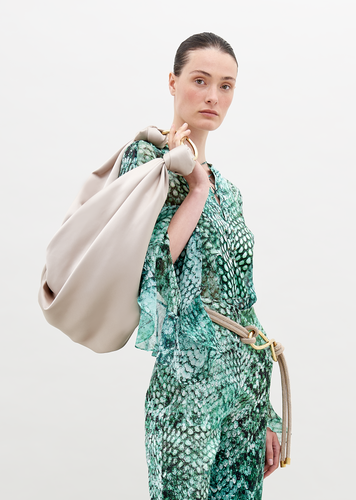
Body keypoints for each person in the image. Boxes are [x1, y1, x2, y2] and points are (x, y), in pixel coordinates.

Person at [118, 33, 283, 500]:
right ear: (173, 83)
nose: (213, 96)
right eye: (200, 80)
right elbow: (147, 267)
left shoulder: (229, 192)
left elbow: (242, 304)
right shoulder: (148, 162)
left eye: (226, 86)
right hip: (187, 384)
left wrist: (265, 410)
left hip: (244, 386)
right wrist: (195, 188)